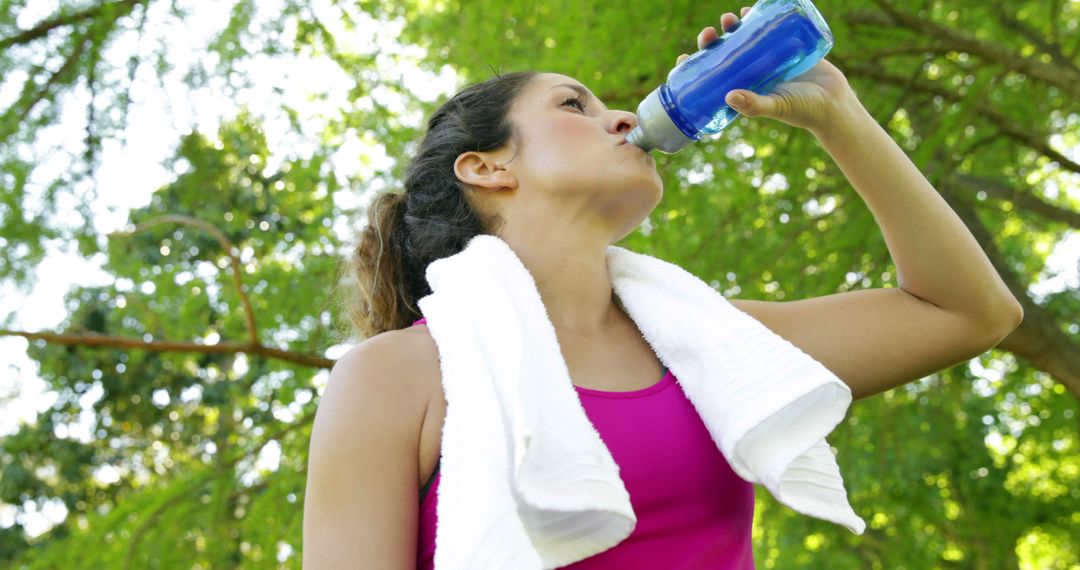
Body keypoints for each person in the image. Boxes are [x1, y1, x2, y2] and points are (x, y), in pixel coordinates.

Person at [302, 7, 1023, 569]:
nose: (620, 116)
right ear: (487, 168)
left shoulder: (714, 342)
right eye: (573, 106)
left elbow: (968, 311)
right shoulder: (394, 379)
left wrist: (839, 114)